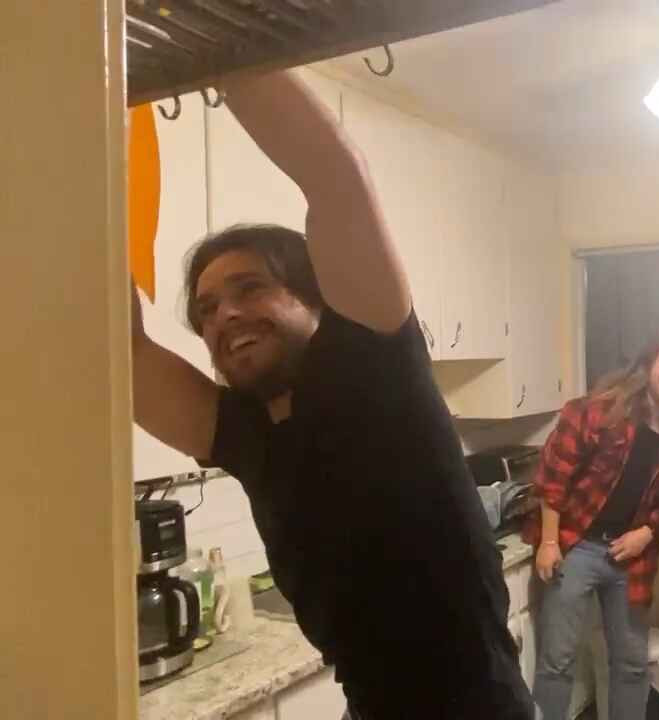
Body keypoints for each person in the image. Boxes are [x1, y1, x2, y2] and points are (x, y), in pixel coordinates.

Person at [130, 71, 533, 719]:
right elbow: (123, 351)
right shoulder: (245, 432)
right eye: (207, 309)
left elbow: (333, 176)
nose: (224, 315)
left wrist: (225, 56)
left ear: (314, 297)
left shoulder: (374, 365)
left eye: (250, 288)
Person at [525, 328, 659, 720]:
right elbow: (553, 478)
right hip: (574, 546)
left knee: (631, 665)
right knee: (557, 661)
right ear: (648, 364)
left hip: (632, 559)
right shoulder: (597, 412)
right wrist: (550, 543)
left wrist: (647, 533)